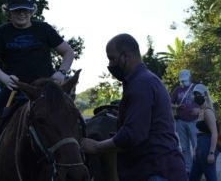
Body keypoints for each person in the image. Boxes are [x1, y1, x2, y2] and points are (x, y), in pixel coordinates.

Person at [0, 0, 74, 180]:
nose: (22, 13)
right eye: (17, 10)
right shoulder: (2, 33)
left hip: (45, 92)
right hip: (15, 90)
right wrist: (5, 78)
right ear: (8, 12)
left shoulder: (44, 29)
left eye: (26, 10)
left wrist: (61, 72)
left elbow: (68, 52)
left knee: (73, 120)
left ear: (32, 11)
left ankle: (79, 168)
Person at [80, 33, 187, 181]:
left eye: (112, 58)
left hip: (155, 171)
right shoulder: (143, 81)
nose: (110, 65)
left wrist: (97, 146)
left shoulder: (141, 84)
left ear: (126, 56)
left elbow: (133, 135)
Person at [171, 69, 200, 175]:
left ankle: (198, 169)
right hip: (181, 121)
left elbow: (205, 103)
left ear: (189, 78)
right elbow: (170, 103)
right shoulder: (177, 90)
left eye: (185, 80)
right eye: (182, 80)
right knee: (184, 147)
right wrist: (176, 106)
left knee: (196, 146)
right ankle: (188, 169)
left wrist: (199, 110)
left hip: (194, 122)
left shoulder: (196, 88)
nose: (183, 82)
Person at [189, 84, 219, 181]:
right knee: (193, 177)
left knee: (210, 176)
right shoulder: (201, 111)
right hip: (200, 148)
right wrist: (195, 149)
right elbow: (199, 132)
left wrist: (211, 153)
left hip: (207, 147)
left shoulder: (208, 112)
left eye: (198, 94)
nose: (195, 96)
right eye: (194, 94)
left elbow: (214, 133)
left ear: (205, 96)